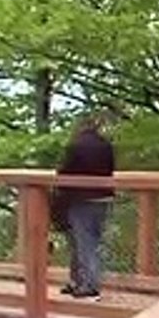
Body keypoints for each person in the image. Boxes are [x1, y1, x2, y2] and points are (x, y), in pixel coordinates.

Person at [56, 114, 115, 300]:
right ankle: (79, 281)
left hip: (81, 199)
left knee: (83, 242)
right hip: (103, 197)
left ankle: (89, 284)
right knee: (91, 240)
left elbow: (65, 170)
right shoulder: (106, 145)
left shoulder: (76, 146)